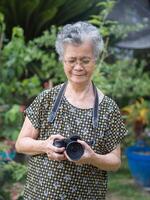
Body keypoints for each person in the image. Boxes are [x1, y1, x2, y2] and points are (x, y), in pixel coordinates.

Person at [15, 21, 127, 200]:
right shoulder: (47, 98)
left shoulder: (109, 108)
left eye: (85, 60)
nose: (78, 67)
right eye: (71, 60)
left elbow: (115, 162)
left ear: (95, 60)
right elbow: (21, 144)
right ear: (62, 60)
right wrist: (45, 146)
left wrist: (92, 158)